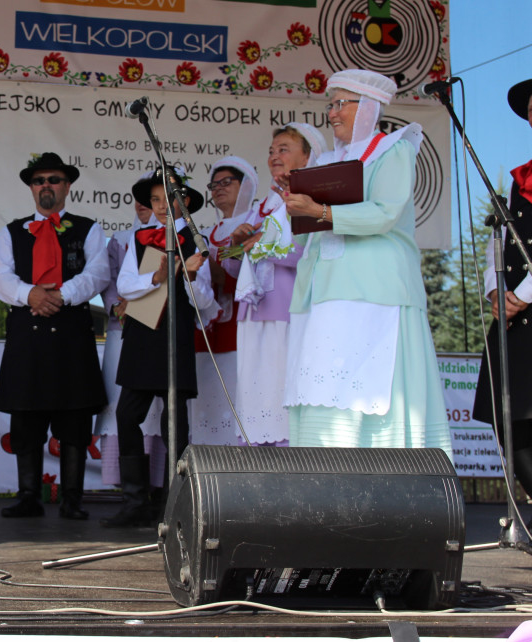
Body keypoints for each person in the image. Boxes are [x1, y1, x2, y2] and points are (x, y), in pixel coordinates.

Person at [281, 69, 453, 457]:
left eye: (342, 104)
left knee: (365, 385)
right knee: (323, 383)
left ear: (368, 107)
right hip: (323, 290)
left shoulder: (394, 149)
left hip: (373, 290)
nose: (333, 113)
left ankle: (381, 479)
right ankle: (320, 479)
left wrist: (321, 210)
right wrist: (296, 207)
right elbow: (312, 229)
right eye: (331, 104)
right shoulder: (328, 159)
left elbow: (384, 213)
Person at [0, 152, 109, 520]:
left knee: (74, 422)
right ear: (31, 187)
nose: (47, 186)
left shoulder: (88, 228)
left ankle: (72, 500)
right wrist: (32, 295)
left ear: (67, 186)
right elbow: (0, 278)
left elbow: (98, 274)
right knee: (26, 421)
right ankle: (29, 496)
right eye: (39, 180)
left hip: (72, 335)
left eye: (54, 180)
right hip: (28, 336)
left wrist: (60, 296)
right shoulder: (11, 231)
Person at [101, 167, 215, 528]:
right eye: (155, 199)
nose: (162, 206)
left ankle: (174, 503)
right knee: (126, 415)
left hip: (175, 334)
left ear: (184, 202)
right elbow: (126, 286)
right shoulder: (140, 239)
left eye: (169, 198)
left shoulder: (195, 242)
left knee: (174, 421)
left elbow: (206, 302)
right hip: (142, 334)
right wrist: (158, 275)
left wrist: (190, 277)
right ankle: (135, 501)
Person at [227, 124, 326, 446]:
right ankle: (255, 461)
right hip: (254, 313)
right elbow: (236, 264)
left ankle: (285, 461)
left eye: (283, 149)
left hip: (287, 309)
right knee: (254, 391)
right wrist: (239, 242)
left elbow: (306, 252)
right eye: (271, 151)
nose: (274, 157)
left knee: (280, 390)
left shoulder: (312, 199)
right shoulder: (264, 206)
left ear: (308, 155)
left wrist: (258, 244)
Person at [472, 76, 532, 494]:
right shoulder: (521, 180)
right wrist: (499, 290)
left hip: (523, 307)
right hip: (517, 321)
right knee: (511, 425)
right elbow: (512, 246)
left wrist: (520, 297)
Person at [95, 199, 168, 490]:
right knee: (123, 406)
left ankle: (163, 487)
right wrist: (118, 305)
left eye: (151, 199)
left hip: (163, 331)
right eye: (139, 199)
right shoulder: (123, 239)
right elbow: (111, 280)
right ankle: (129, 489)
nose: (142, 204)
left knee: (165, 409)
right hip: (123, 331)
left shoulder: (181, 237)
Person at [190, 157, 257, 447]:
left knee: (238, 399)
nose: (218, 189)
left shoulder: (255, 225)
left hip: (242, 328)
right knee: (207, 404)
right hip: (208, 331)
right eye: (213, 185)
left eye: (226, 182)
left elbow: (247, 274)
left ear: (246, 185)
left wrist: (214, 271)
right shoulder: (206, 233)